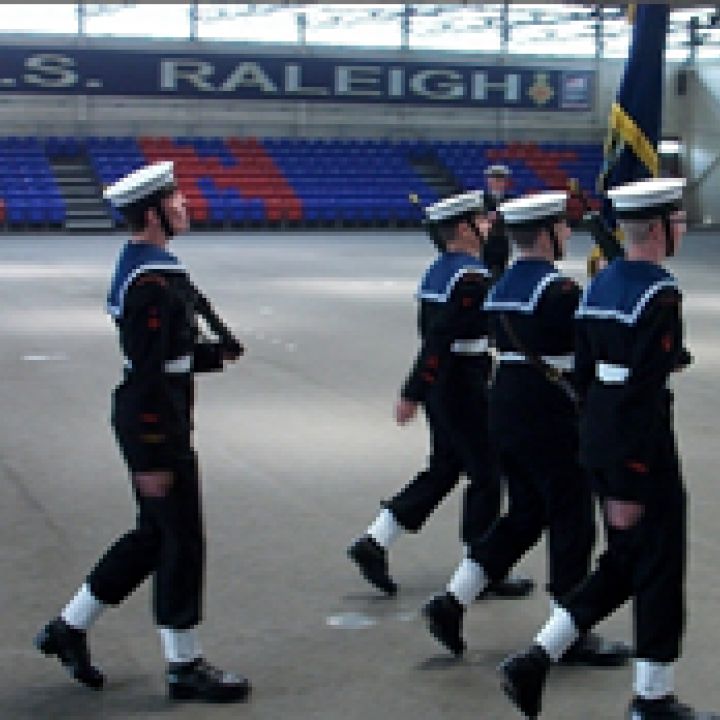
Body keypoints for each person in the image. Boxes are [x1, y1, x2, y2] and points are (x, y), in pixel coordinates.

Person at [499, 178, 718, 719]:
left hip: (598, 435)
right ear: (661, 229)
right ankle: (652, 698)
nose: (685, 226)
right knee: (660, 565)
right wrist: (631, 473)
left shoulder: (600, 284)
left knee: (625, 563)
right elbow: (640, 391)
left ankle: (537, 657)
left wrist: (606, 457)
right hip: (638, 445)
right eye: (680, 218)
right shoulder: (659, 292)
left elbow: (588, 373)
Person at [34, 161, 251, 704]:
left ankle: (69, 627)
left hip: (157, 411)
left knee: (154, 536)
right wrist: (155, 452)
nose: (185, 205)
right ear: (153, 213)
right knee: (180, 540)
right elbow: (150, 367)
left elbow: (163, 355)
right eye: (176, 200)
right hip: (155, 422)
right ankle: (184, 664)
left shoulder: (149, 266)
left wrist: (210, 354)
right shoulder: (151, 280)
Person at [420, 190, 629, 667]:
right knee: (571, 518)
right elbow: (590, 352)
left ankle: (453, 599)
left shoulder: (501, 283)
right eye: (563, 227)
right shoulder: (561, 292)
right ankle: (570, 629)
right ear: (549, 234)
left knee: (524, 516)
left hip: (505, 402)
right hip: (549, 409)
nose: (570, 234)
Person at [348, 190, 533, 599]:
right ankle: (481, 569)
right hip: (462, 384)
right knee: (486, 474)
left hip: (444, 385)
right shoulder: (471, 277)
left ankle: (375, 540)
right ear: (465, 228)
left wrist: (422, 389)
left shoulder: (438, 271)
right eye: (481, 222)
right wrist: (413, 391)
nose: (488, 226)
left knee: (446, 468)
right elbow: (439, 339)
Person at [482, 164, 514, 279]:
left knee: (501, 273)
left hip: (503, 242)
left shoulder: (511, 200)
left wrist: (499, 217)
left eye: (500, 179)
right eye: (494, 179)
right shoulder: (481, 200)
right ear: (488, 181)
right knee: (484, 273)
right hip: (485, 243)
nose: (497, 182)